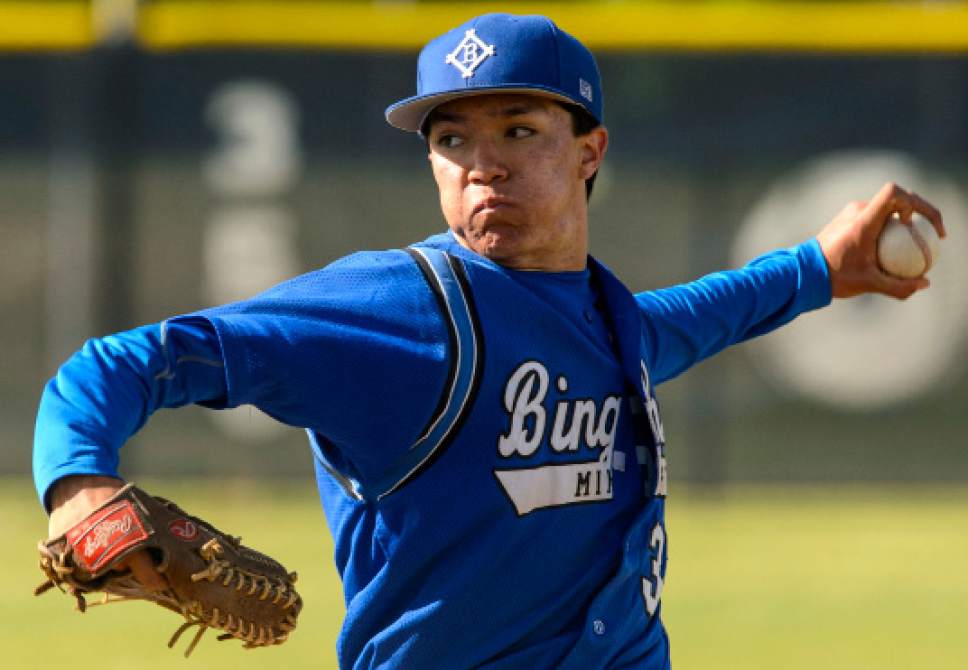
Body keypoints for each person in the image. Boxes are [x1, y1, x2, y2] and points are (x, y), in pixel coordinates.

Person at [34, 13, 943, 670]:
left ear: (591, 151)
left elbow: (691, 318)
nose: (484, 163)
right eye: (452, 138)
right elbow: (118, 365)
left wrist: (821, 268)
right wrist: (79, 486)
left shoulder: (605, 318)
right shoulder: (397, 308)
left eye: (519, 129)